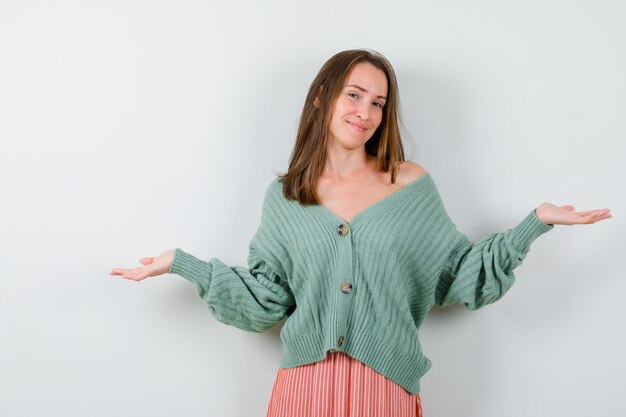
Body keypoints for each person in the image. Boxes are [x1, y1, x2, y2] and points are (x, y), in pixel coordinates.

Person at [110, 49, 612, 417]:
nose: (365, 113)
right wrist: (183, 262)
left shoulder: (410, 184)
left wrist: (534, 224)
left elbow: (458, 276)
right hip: (304, 388)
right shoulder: (286, 197)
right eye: (354, 95)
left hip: (387, 387)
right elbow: (268, 298)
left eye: (377, 102)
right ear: (321, 98)